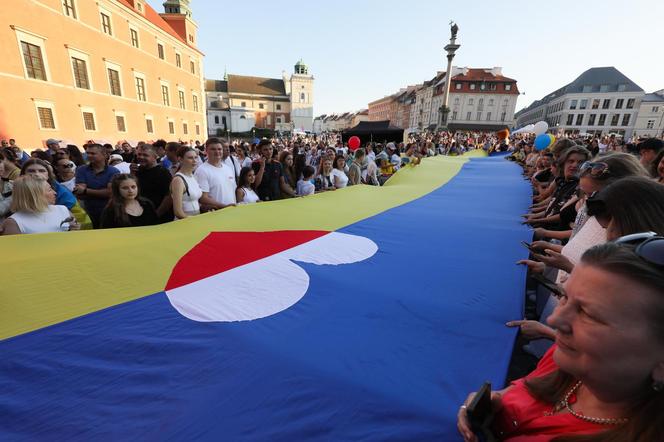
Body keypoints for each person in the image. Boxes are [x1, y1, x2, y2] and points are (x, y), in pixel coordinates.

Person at [460, 238, 664, 442]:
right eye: (564, 297)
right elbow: (519, 389)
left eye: (588, 314)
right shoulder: (571, 359)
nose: (553, 319)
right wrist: (495, 401)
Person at [1, 176, 79, 234]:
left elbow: (75, 235)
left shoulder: (62, 209)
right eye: (49, 190)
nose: (55, 193)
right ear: (34, 195)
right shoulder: (14, 222)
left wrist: (75, 229)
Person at [74, 143, 120, 228]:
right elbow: (80, 193)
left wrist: (86, 191)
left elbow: (110, 193)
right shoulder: (81, 169)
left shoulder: (114, 171)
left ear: (104, 155)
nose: (89, 155)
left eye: (93, 153)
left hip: (109, 211)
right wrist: (84, 191)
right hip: (89, 211)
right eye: (87, 153)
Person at [132, 144, 173, 223]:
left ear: (154, 157)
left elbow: (169, 197)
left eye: (145, 155)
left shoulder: (163, 173)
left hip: (160, 218)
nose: (141, 157)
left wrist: (156, 215)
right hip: (142, 214)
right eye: (139, 154)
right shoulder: (138, 170)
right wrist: (132, 174)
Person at [195, 138, 237, 210]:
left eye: (219, 149)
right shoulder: (202, 171)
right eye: (213, 149)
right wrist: (224, 206)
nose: (217, 152)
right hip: (216, 215)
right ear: (206, 151)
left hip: (231, 212)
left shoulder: (228, 169)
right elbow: (202, 198)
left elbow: (233, 191)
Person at [171, 146, 202, 219]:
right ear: (180, 159)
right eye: (190, 158)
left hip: (195, 219)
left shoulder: (193, 176)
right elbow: (178, 212)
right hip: (185, 223)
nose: (194, 160)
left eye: (196, 157)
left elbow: (195, 201)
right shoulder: (178, 180)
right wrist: (193, 220)